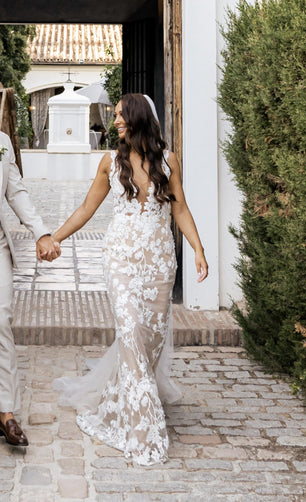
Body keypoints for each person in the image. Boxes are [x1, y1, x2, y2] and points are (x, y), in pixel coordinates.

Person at [53, 93, 208, 465]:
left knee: (149, 340)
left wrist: (199, 249)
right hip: (120, 260)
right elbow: (87, 208)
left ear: (138, 118)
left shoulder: (168, 161)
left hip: (159, 263)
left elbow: (181, 209)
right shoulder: (110, 162)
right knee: (129, 330)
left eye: (121, 116)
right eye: (116, 116)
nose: (116, 121)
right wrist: (55, 237)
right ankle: (142, 429)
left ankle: (129, 396)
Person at [0, 131, 60, 447]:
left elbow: (16, 193)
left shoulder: (2, 142)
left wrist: (41, 233)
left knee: (1, 323)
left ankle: (5, 412)